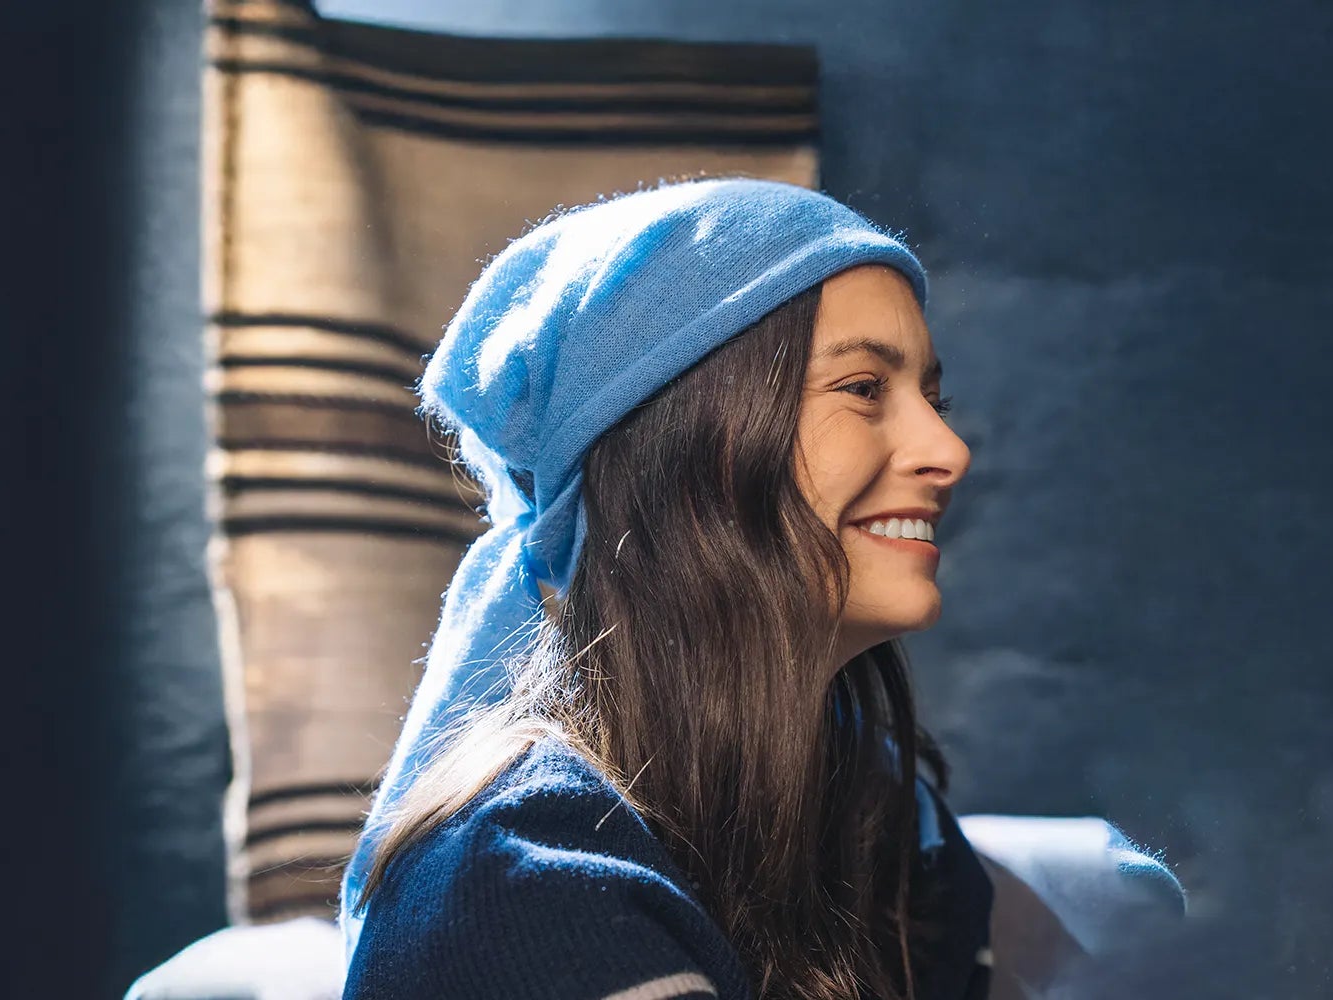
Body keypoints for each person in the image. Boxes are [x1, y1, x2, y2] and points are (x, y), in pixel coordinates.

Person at [341, 178, 998, 1000]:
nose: (949, 450)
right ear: (680, 453)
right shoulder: (527, 884)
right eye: (864, 389)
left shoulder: (892, 829)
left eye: (934, 398)